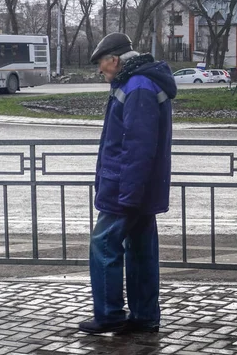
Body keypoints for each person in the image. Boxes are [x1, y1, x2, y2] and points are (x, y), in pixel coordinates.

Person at [78, 32, 177, 335]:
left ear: (115, 60)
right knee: (140, 250)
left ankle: (109, 314)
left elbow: (137, 146)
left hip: (126, 188)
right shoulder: (139, 83)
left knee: (103, 244)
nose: (100, 71)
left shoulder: (137, 87)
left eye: (101, 64)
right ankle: (144, 316)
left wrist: (129, 194)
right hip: (136, 186)